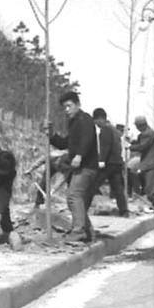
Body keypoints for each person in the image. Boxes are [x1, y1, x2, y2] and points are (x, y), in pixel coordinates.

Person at [47, 90, 99, 244]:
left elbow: (87, 139)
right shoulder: (74, 123)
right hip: (78, 167)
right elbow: (65, 143)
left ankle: (78, 231)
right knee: (77, 200)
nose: (66, 110)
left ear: (78, 105)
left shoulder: (85, 120)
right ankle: (87, 232)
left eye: (69, 106)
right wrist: (51, 136)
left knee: (73, 196)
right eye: (64, 107)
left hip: (87, 167)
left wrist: (79, 155)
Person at [92, 108, 129, 216]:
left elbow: (105, 146)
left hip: (109, 163)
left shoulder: (105, 130)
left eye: (96, 121)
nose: (96, 124)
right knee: (118, 189)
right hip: (117, 163)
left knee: (94, 184)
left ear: (100, 119)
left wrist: (101, 160)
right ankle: (124, 211)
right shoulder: (115, 130)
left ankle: (83, 208)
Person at [129, 115, 154, 209]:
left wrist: (129, 147)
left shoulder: (148, 134)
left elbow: (142, 146)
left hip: (152, 164)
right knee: (149, 187)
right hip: (150, 164)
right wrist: (132, 142)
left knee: (151, 188)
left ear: (140, 125)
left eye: (137, 126)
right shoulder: (146, 133)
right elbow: (141, 143)